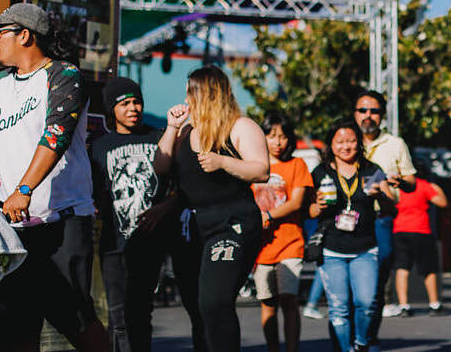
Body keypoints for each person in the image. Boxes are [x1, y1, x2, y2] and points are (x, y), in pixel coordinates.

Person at [0, 3, 107, 352]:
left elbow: (56, 134)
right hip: (12, 225)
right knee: (15, 322)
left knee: (73, 316)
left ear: (25, 35)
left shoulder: (63, 75)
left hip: (63, 216)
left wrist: (24, 188)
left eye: (0, 33)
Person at [154, 65, 269, 352]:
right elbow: (160, 165)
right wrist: (171, 128)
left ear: (210, 94)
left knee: (214, 301)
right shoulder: (185, 131)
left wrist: (224, 162)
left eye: (192, 92)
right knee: (196, 307)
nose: (187, 98)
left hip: (231, 222)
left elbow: (261, 170)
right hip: (191, 225)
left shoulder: (240, 125)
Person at [90, 76, 206, 352]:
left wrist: (165, 206)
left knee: (141, 312)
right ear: (111, 109)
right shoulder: (99, 147)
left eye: (137, 102)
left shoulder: (159, 137)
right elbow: (95, 193)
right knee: (118, 315)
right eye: (125, 103)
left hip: (154, 241)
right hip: (115, 244)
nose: (134, 108)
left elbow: (184, 184)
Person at [309, 119, 396, 352]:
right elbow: (308, 210)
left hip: (365, 249)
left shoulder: (372, 170)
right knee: (339, 309)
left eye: (351, 141)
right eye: (340, 142)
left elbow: (391, 208)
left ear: (359, 143)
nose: (346, 147)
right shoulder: (320, 172)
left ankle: (361, 342)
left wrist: (380, 195)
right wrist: (317, 206)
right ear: (331, 144)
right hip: (331, 249)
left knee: (367, 304)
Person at [354, 90, 416, 349]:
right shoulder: (345, 140)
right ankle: (351, 339)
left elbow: (411, 181)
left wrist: (398, 180)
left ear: (382, 115)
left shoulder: (395, 143)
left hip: (382, 219)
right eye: (363, 110)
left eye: (374, 111)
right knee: (351, 285)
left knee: (377, 285)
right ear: (354, 113)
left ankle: (369, 337)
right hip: (351, 220)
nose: (368, 116)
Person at [252, 113, 313, 352]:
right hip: (261, 246)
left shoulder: (297, 165)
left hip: (290, 243)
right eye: (272, 136)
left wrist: (267, 216)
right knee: (267, 303)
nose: (278, 142)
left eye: (284, 136)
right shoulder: (255, 167)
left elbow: (296, 203)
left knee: (289, 299)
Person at [392, 166, 447, 316]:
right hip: (421, 230)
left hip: (400, 230)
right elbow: (442, 203)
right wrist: (436, 188)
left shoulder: (397, 186)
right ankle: (434, 304)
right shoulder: (424, 185)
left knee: (402, 268)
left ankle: (404, 305)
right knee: (429, 269)